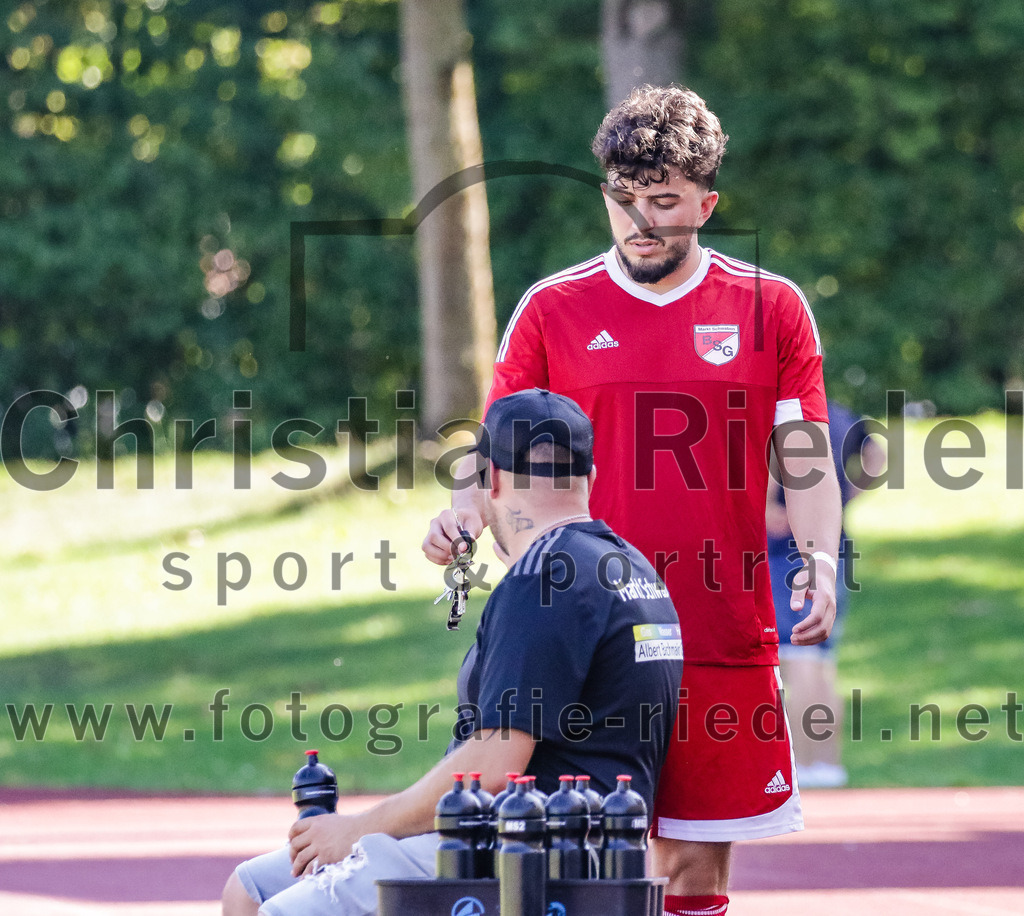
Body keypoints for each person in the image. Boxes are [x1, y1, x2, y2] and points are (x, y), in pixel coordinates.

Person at [423, 85, 842, 916]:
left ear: (706, 202)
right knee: (568, 864)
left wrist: (823, 560)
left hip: (719, 627)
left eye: (664, 202)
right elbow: (496, 443)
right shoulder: (552, 307)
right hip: (583, 637)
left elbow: (805, 458)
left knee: (693, 872)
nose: (640, 222)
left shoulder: (774, 308)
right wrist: (464, 513)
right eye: (623, 200)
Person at [223, 388, 684, 916]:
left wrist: (356, 830)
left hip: (518, 851)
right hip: (585, 845)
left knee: (283, 911)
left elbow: (493, 764)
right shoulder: (628, 566)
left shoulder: (544, 578)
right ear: (590, 479)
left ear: (493, 480)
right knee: (251, 889)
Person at [767, 399, 884, 788]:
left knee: (795, 653)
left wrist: (770, 509)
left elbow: (767, 471)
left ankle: (800, 764)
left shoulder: (778, 413)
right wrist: (849, 494)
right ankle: (828, 764)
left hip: (786, 547)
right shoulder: (842, 415)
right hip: (833, 546)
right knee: (821, 656)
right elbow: (877, 456)